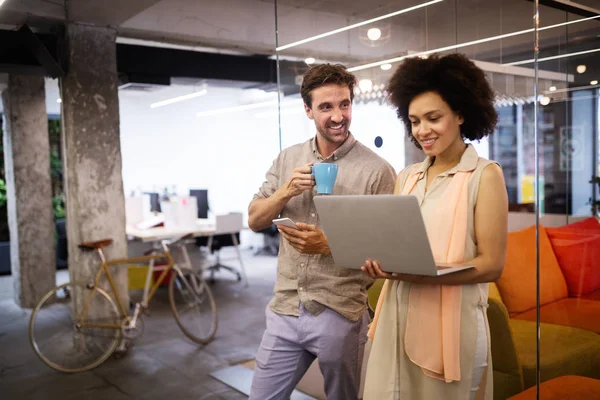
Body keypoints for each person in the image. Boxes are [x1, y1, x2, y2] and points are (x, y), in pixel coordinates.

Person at [361, 53, 508, 400]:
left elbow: (492, 264)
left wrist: (423, 274)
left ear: (460, 114)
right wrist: (379, 263)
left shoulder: (484, 175)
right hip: (397, 315)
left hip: (453, 327)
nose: (422, 130)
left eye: (433, 118)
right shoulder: (407, 177)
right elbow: (396, 246)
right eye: (414, 121)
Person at [247, 63, 396, 400]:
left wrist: (329, 245)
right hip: (284, 309)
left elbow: (387, 250)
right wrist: (286, 191)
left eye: (344, 104)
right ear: (308, 110)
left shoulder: (378, 171)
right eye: (326, 107)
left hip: (339, 314)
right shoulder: (288, 159)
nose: (338, 115)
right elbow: (255, 219)